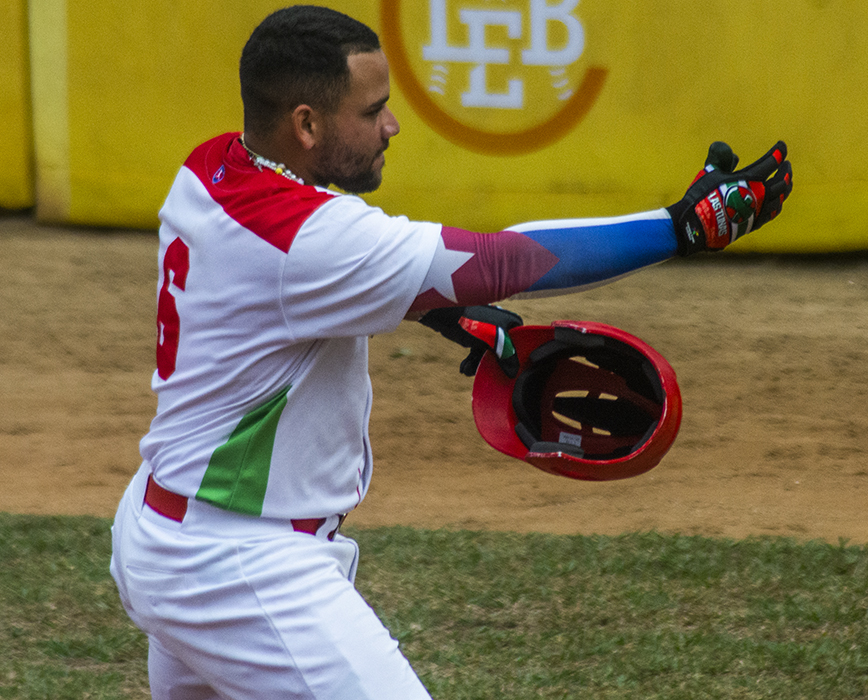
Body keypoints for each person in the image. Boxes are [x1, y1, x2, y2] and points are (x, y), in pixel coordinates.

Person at [109, 5, 792, 699]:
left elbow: (275, 298)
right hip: (237, 566)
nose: (392, 126)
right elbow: (502, 261)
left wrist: (441, 313)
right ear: (307, 124)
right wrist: (679, 228)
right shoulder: (309, 236)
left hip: (162, 529)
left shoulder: (211, 168)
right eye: (372, 110)